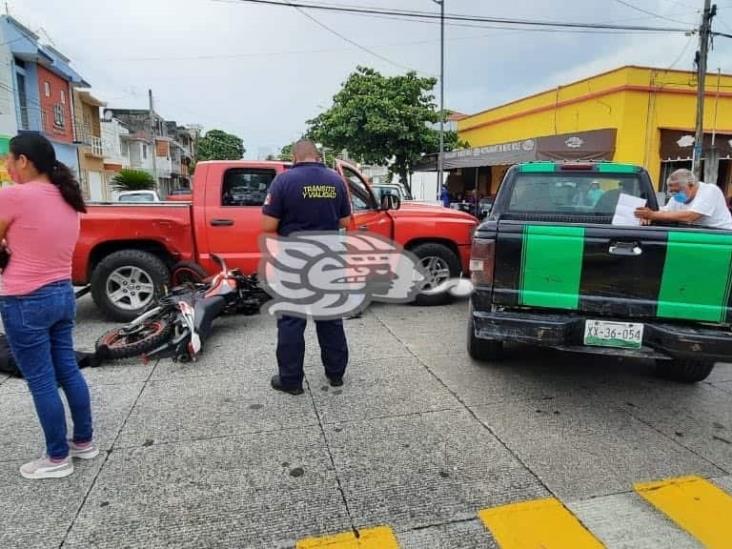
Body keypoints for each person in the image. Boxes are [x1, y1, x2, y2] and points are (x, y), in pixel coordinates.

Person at [0, 133, 97, 480]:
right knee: (68, 370)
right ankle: (83, 441)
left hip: (25, 299)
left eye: (10, 160)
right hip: (62, 294)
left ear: (24, 161)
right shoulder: (68, 197)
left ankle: (57, 457)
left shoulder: (12, 196)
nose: (8, 167)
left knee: (41, 380)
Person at [261, 139, 352, 395]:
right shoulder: (336, 180)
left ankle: (291, 381)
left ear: (296, 155)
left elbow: (267, 226)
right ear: (316, 155)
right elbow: (345, 220)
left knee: (291, 320)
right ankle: (336, 375)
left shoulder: (283, 181)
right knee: (330, 318)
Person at [635, 168, 732, 230]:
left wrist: (653, 215)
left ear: (691, 185)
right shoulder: (676, 198)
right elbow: (666, 212)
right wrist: (645, 213)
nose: (674, 195)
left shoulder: (710, 191)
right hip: (698, 234)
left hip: (722, 236)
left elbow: (690, 216)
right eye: (672, 192)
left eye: (677, 191)